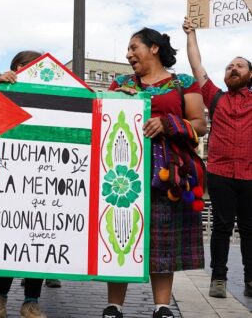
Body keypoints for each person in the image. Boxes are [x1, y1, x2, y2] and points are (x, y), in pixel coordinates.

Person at [102, 27, 207, 318]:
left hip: (168, 173)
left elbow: (199, 125)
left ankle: (161, 307)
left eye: (134, 47)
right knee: (121, 232)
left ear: (154, 48)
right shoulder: (120, 82)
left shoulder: (183, 82)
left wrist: (167, 123)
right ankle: (114, 305)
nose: (128, 54)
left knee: (163, 237)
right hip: (123, 173)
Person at [183, 17, 252, 299]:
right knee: (222, 227)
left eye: (239, 65)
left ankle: (250, 280)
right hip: (220, 173)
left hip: (250, 173)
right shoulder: (215, 97)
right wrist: (191, 33)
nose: (232, 68)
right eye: (228, 66)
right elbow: (196, 65)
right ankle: (219, 278)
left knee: (249, 229)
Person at [0, 50, 48, 318]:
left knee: (39, 242)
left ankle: (31, 301)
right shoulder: (1, 90)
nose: (28, 71)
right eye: (23, 66)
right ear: (13, 68)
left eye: (35, 67)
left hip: (43, 180)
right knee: (9, 240)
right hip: (10, 180)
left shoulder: (49, 96)